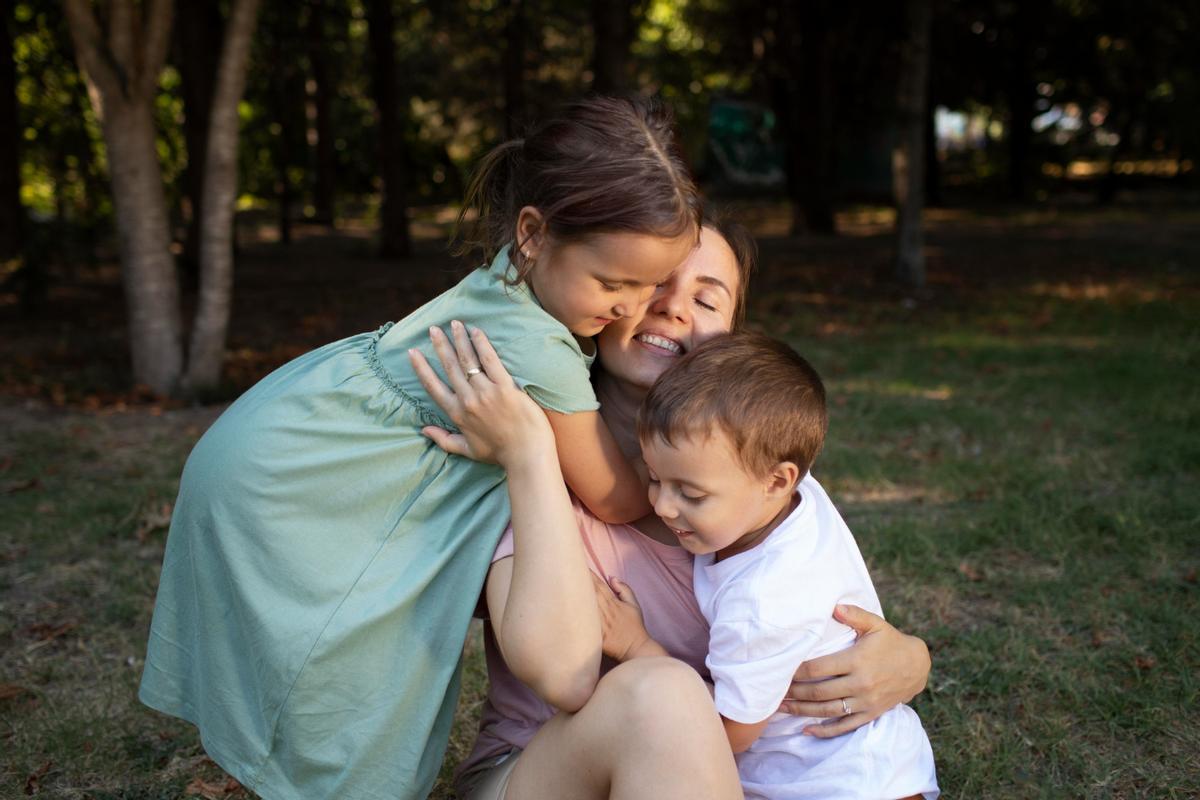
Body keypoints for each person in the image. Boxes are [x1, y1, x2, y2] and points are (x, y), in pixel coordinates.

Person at [137, 96, 701, 800]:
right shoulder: (538, 347)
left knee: (323, 647)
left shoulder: (511, 285)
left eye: (650, 287)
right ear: (533, 233)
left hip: (281, 439)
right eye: (613, 283)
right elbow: (614, 497)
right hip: (301, 479)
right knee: (337, 649)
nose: (630, 308)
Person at [409, 221, 933, 800]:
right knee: (661, 694)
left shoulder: (755, 497)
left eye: (707, 299)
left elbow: (818, 620)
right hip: (538, 775)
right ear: (606, 297)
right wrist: (530, 455)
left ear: (733, 336)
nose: (673, 309)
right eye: (652, 283)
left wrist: (910, 659)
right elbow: (563, 673)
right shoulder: (525, 459)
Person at [637, 332, 939, 799]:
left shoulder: (762, 600)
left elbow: (725, 734)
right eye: (655, 478)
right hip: (873, 765)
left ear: (777, 479)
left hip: (836, 784)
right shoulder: (787, 494)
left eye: (691, 494)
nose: (664, 506)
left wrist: (638, 647)